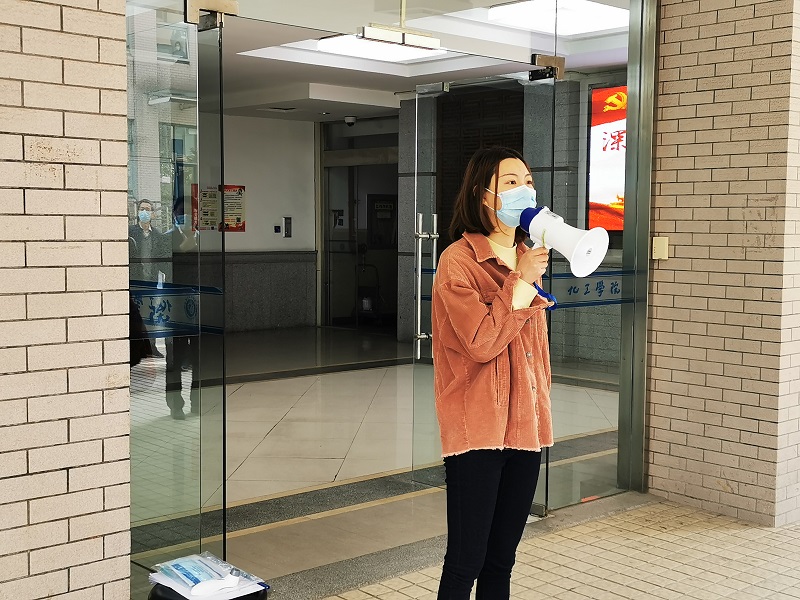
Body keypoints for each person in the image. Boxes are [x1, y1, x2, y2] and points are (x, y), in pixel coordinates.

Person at [431, 147, 554, 599]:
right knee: (466, 561)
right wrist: (521, 281)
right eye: (511, 182)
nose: (525, 190)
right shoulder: (458, 261)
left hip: (525, 430)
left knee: (502, 561)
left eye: (528, 181)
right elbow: (481, 343)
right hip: (477, 432)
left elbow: (532, 352)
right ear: (483, 195)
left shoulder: (526, 256)